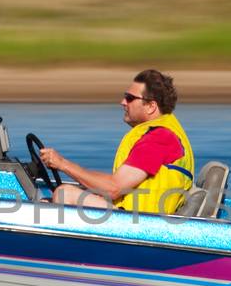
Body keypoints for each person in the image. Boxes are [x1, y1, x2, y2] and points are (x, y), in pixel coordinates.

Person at [40, 69, 195, 214]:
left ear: (150, 106)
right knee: (50, 200)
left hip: (142, 224)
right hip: (135, 216)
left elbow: (114, 188)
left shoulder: (159, 139)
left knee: (65, 193)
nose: (123, 102)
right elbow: (118, 186)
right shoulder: (161, 133)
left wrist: (62, 164)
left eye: (130, 98)